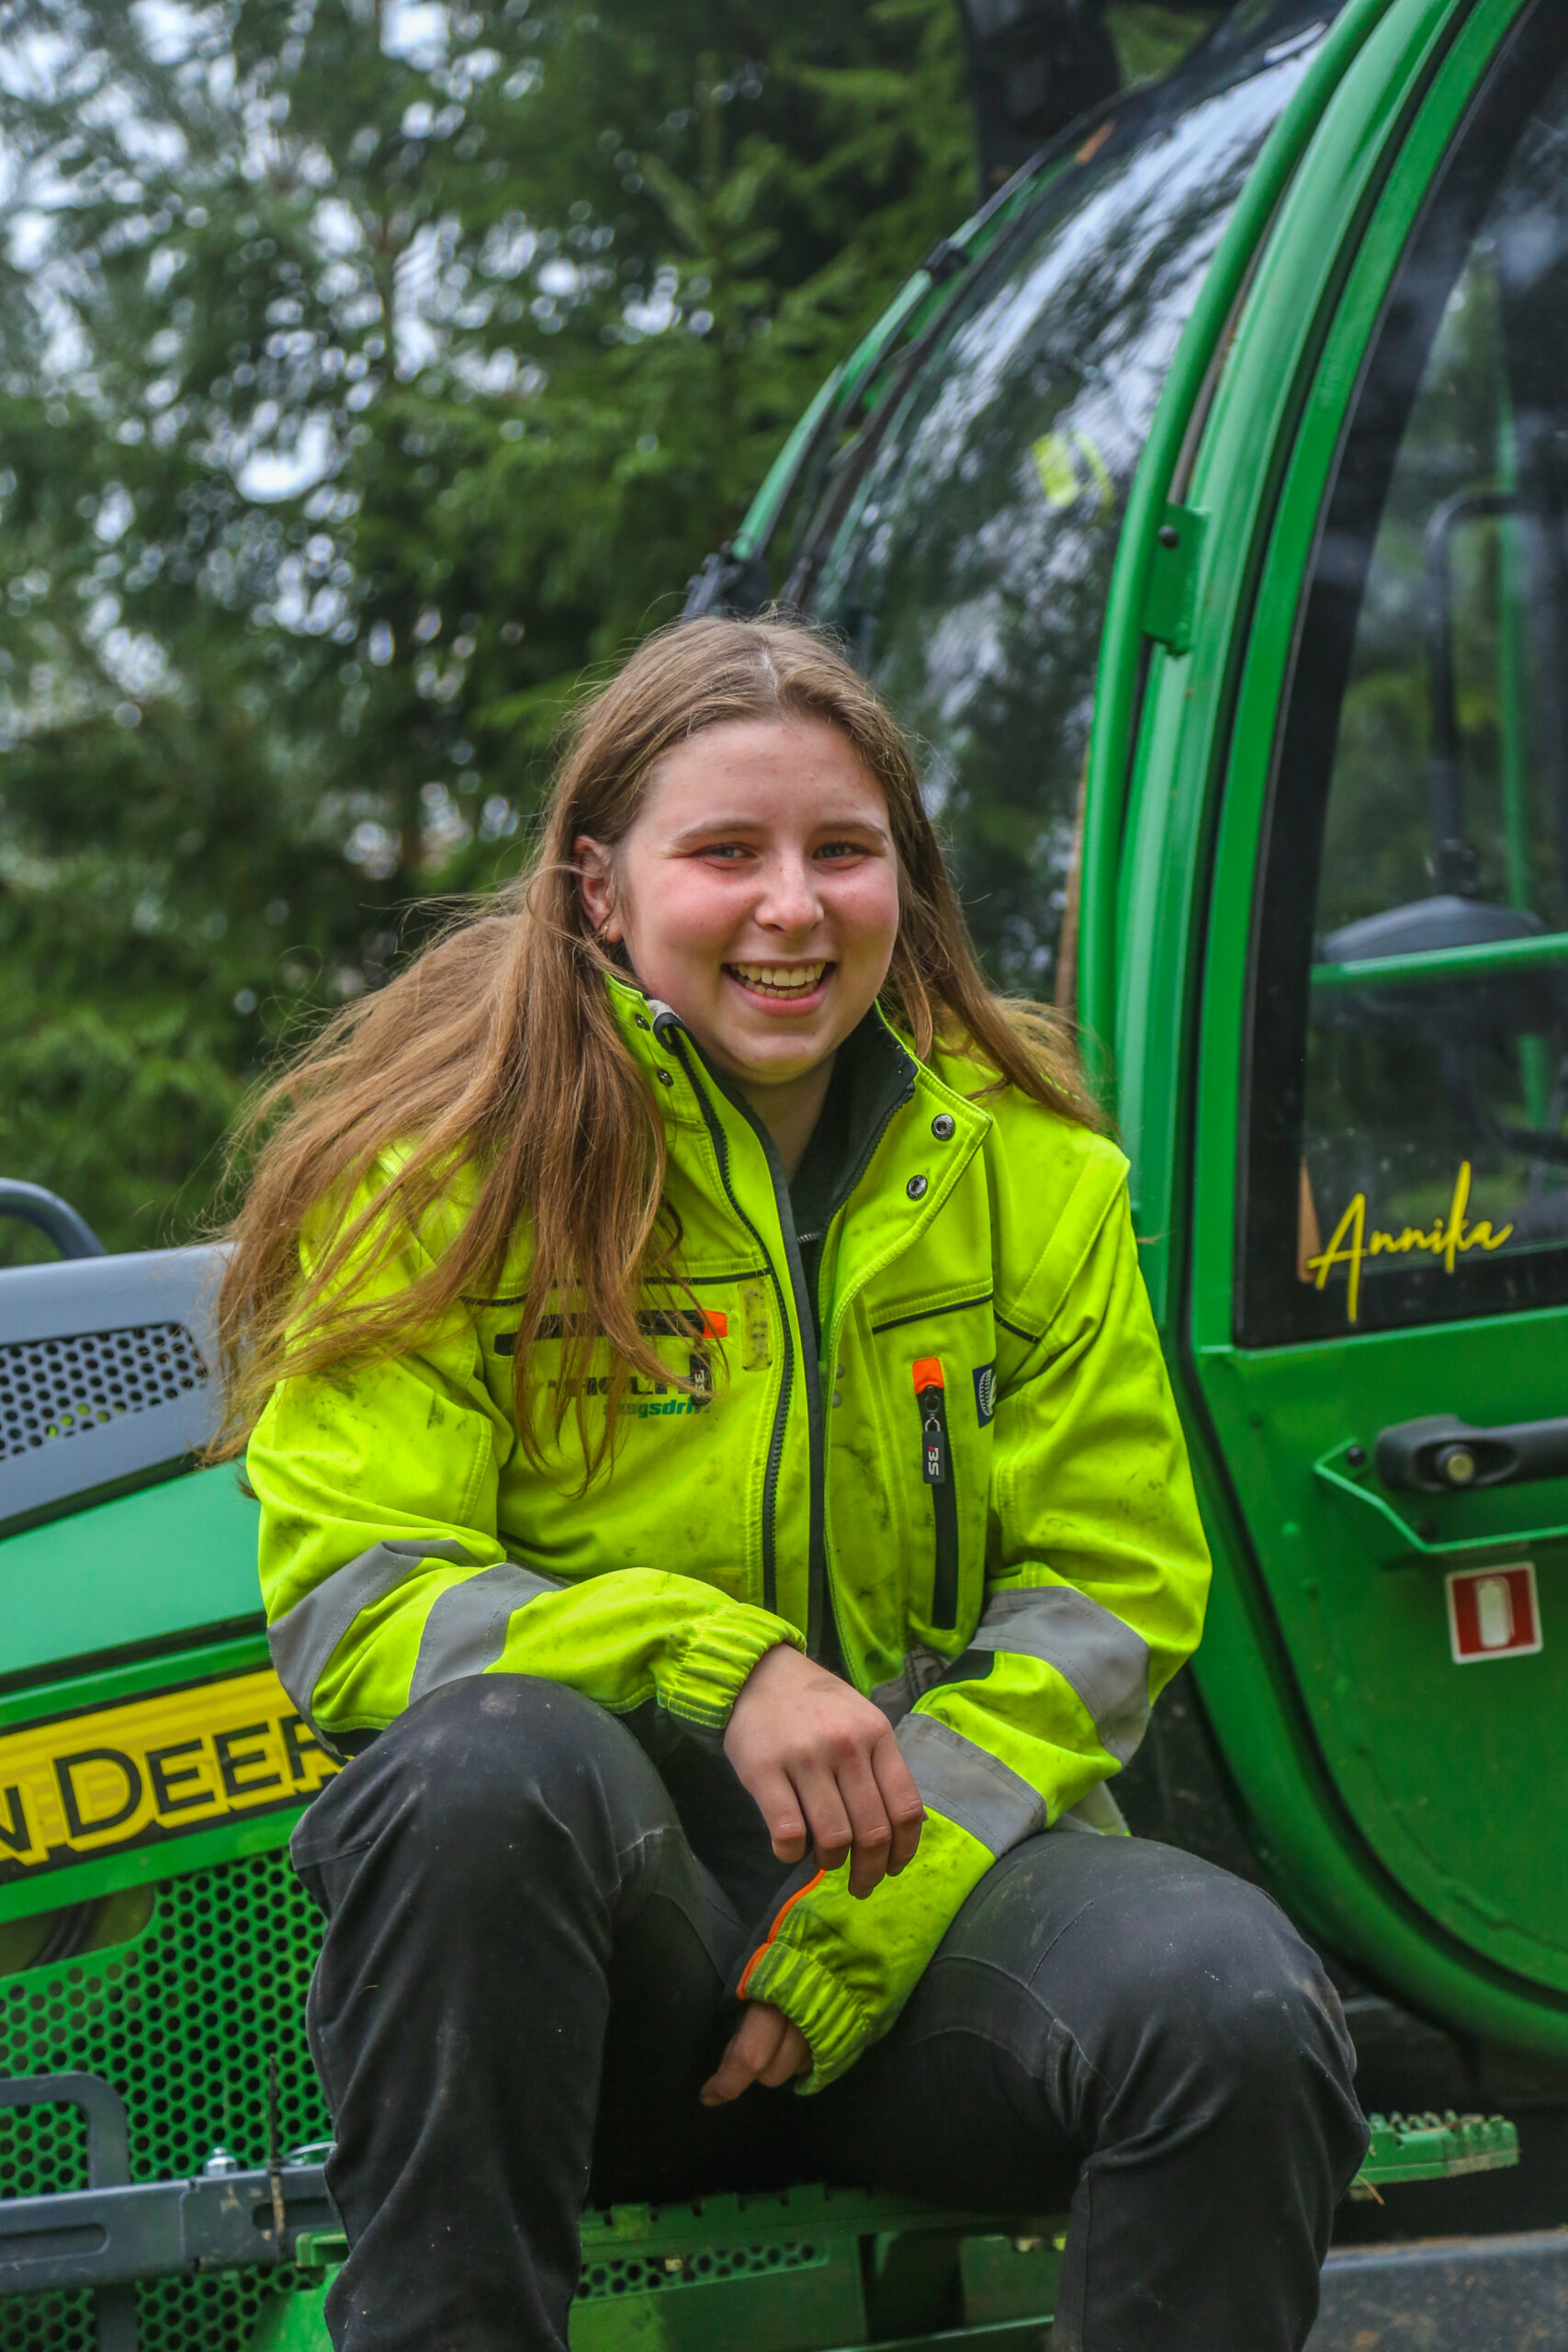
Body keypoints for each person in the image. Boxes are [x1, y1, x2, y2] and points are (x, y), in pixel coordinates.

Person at [220, 616, 1366, 2352]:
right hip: (592, 1984)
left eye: (844, 851)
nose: (792, 907)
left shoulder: (1037, 1183)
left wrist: (881, 1900)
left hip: (930, 1932)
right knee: (475, 1775)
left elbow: (1111, 1588)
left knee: (1237, 2010)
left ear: (903, 873)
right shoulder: (443, 1183)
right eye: (725, 854)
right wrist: (712, 1661)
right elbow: (354, 1601)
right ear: (599, 889)